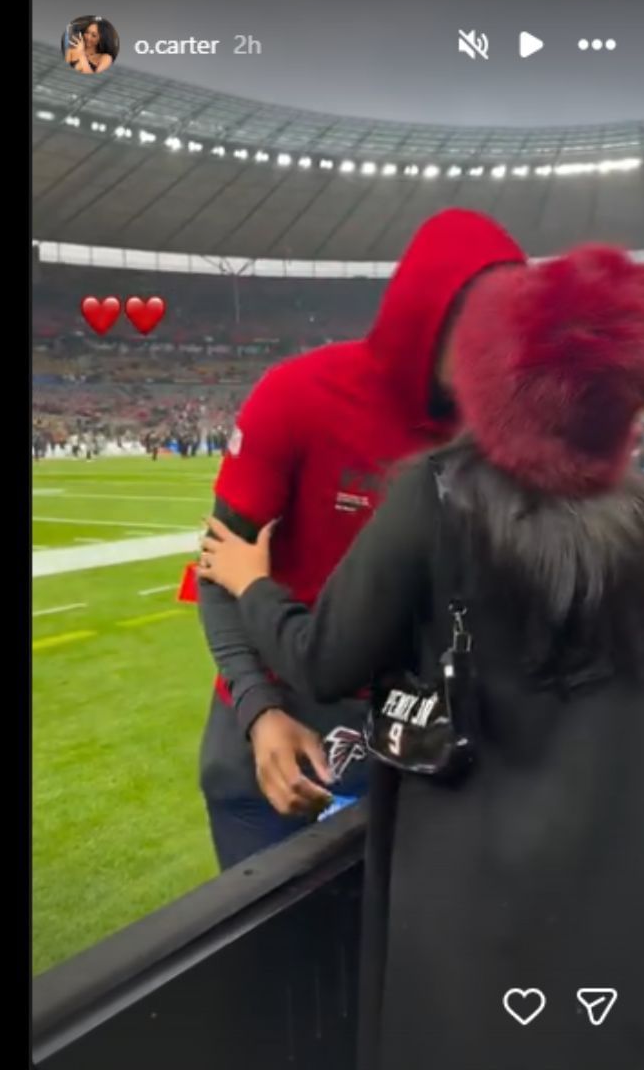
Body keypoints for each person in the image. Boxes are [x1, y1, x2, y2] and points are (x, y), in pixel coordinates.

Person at [197, 245, 644, 1068]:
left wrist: (252, 582)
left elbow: (324, 661)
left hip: (461, 870)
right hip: (607, 873)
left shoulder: (442, 488)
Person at [193, 209, 527, 871]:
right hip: (276, 723)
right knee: (278, 962)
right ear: (423, 312)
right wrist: (260, 714)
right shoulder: (297, 395)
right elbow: (218, 566)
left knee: (392, 964)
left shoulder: (501, 433)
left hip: (417, 744)